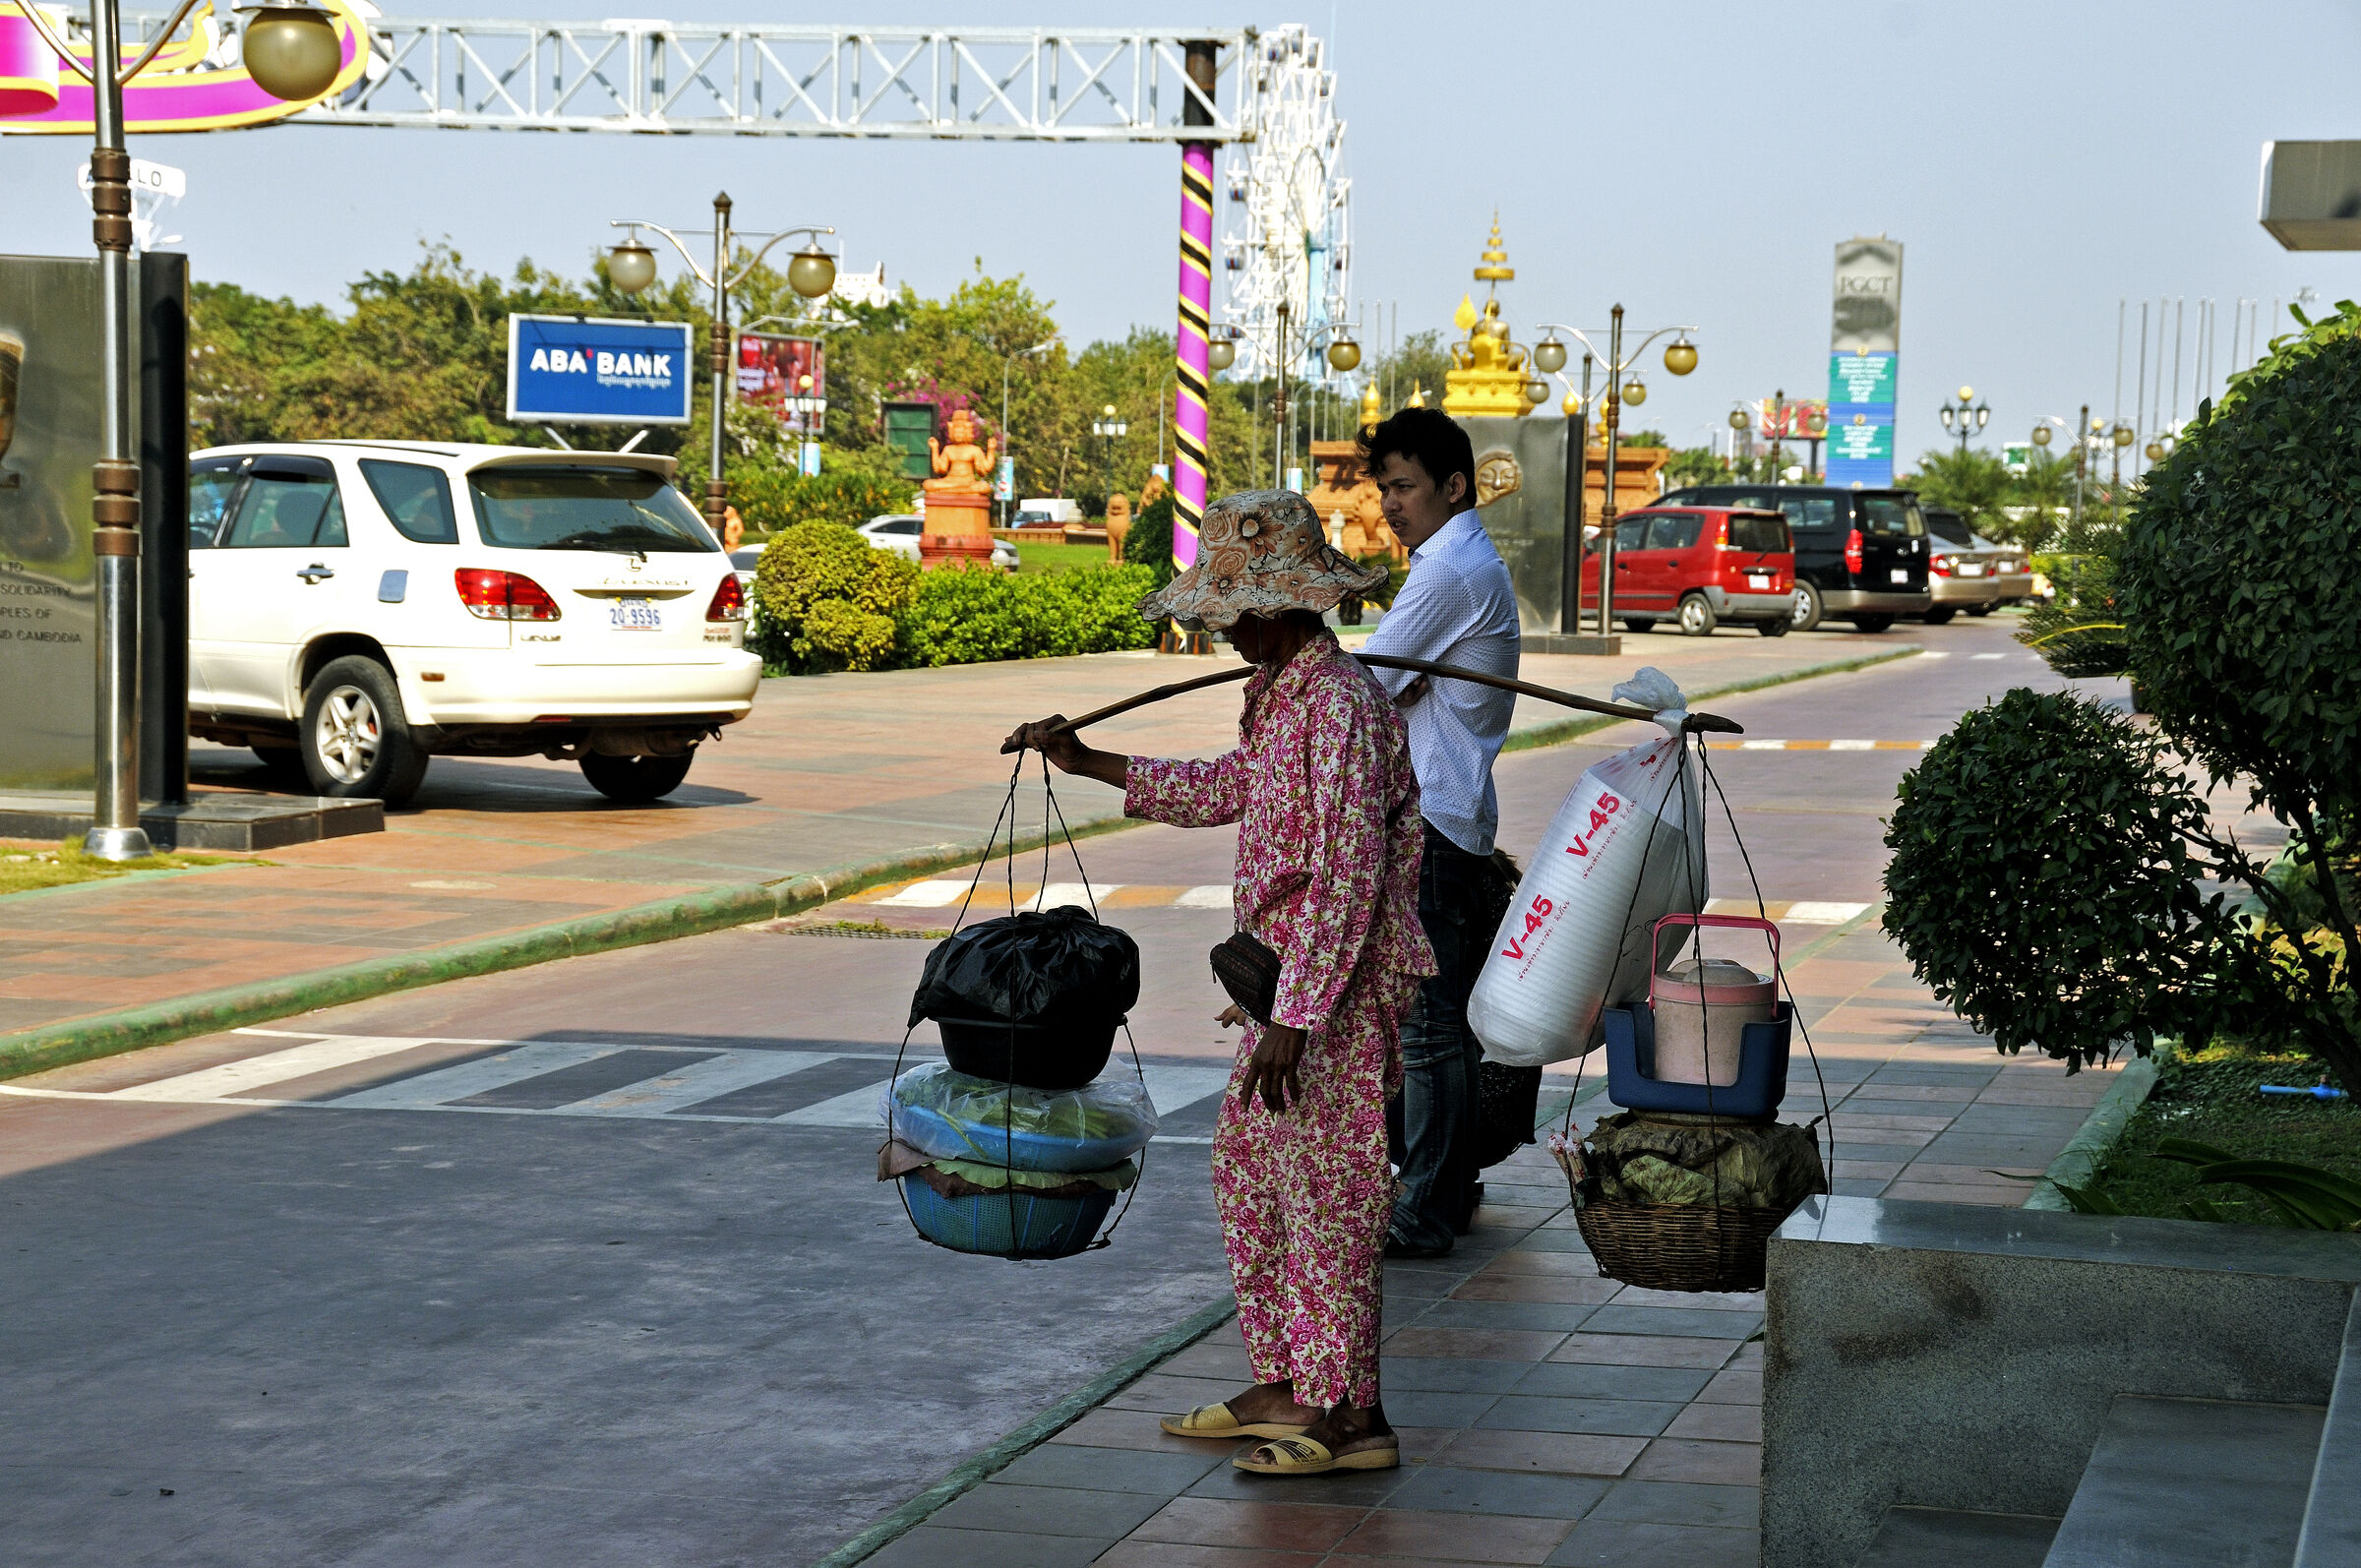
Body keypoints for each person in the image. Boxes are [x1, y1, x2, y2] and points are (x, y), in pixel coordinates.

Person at [1005, 489, 1432, 1478]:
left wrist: (1297, 1014)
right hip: (1281, 987)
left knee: (1331, 1198)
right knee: (1251, 1180)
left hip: (1331, 998)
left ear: (1288, 605)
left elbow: (1349, 870)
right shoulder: (1281, 695)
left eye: (1237, 611)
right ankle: (1286, 1377)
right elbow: (1221, 789)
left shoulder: (1340, 706)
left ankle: (1350, 1410)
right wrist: (1086, 760)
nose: (1227, 628)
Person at [1356, 407, 1523, 1258]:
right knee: (1438, 1028)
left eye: (1404, 486)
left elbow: (1365, 687)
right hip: (1449, 817)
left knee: (1428, 1031)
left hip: (1433, 823)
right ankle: (1445, 1193)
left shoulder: (1451, 567)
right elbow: (1393, 684)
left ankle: (1423, 1209)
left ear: (1453, 487)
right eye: (1383, 487)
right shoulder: (1458, 565)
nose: (1390, 503)